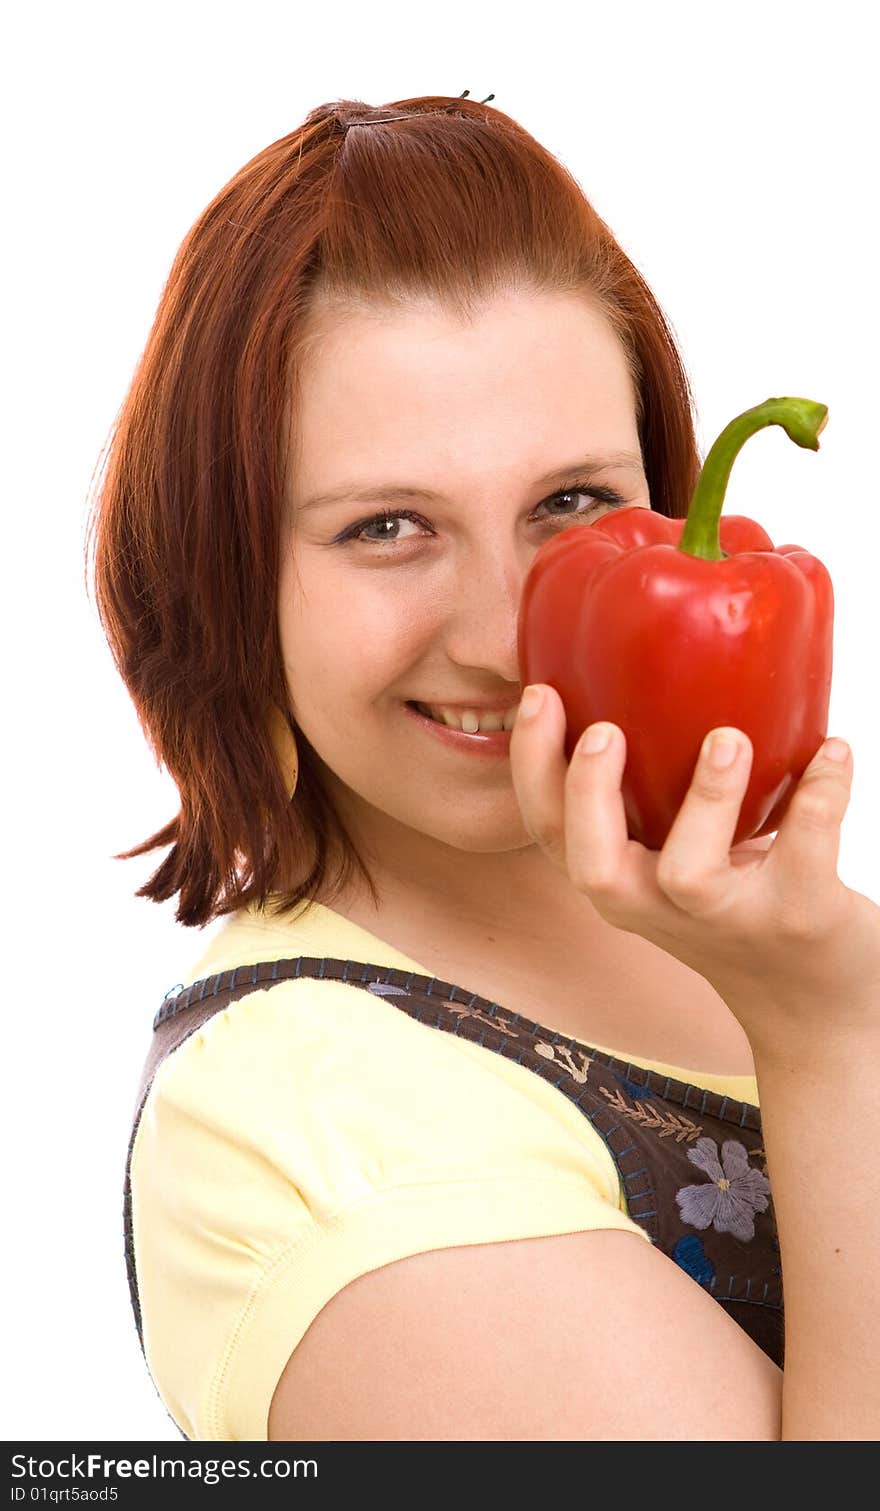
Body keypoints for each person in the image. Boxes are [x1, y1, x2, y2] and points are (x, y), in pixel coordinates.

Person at [86, 94, 880, 1442]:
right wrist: (834, 1034)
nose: (511, 636)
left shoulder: (731, 904)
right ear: (228, 574)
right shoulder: (311, 1126)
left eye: (570, 502)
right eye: (387, 526)